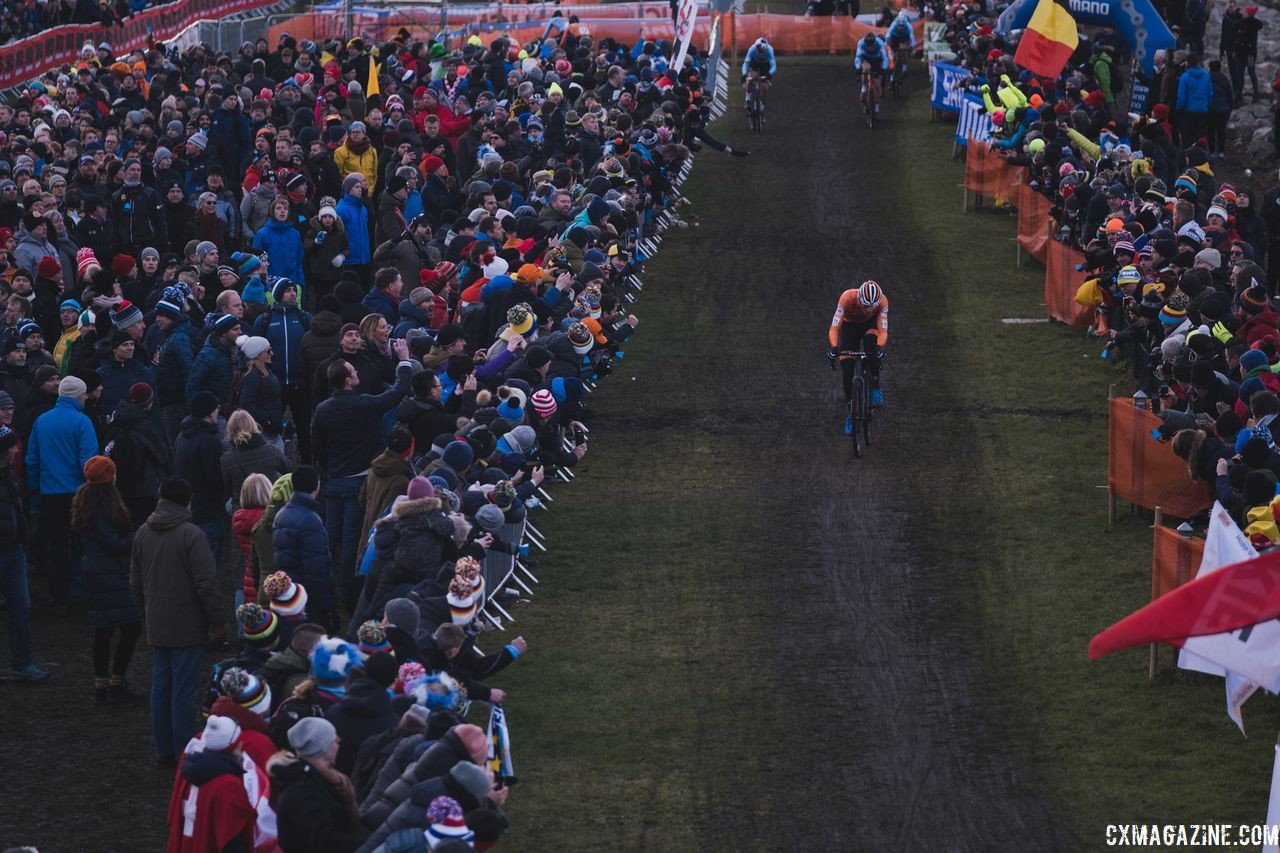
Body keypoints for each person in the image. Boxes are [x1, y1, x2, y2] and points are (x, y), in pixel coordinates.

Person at [312, 339, 414, 611]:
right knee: (349, 541)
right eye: (353, 372)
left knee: (328, 538)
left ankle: (324, 592)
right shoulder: (363, 404)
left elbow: (317, 448)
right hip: (357, 479)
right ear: (347, 381)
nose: (358, 373)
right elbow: (398, 391)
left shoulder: (322, 410)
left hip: (334, 479)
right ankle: (347, 596)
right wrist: (404, 359)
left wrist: (330, 468)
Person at [130, 477, 224, 767]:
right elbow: (206, 584)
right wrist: (217, 621)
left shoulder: (143, 533)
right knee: (183, 690)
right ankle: (186, 750)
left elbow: (135, 582)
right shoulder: (191, 535)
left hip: (158, 622)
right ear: (187, 501)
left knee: (161, 687)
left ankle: (164, 750)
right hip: (187, 623)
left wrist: (147, 613)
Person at [73, 455, 143, 705]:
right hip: (111, 573)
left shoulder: (85, 501)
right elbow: (112, 543)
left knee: (103, 631)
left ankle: (102, 685)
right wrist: (136, 537)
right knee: (131, 626)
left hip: (95, 572)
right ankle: (116, 682)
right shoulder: (104, 506)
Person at [26, 374, 99, 612]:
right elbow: (88, 462)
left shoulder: (42, 421)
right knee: (78, 542)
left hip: (49, 492)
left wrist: (34, 488)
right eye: (84, 393)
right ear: (77, 395)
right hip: (77, 492)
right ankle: (75, 591)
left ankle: (57, 593)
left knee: (55, 543)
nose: (86, 396)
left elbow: (32, 459)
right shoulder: (82, 422)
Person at [269, 717, 371, 852]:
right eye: (334, 740)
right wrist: (370, 845)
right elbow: (323, 839)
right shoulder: (302, 790)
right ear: (324, 748)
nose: (338, 743)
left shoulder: (324, 778)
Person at [0, 424, 47, 682]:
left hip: (14, 549)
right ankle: (23, 663)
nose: (17, 450)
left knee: (22, 607)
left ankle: (23, 663)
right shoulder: (9, 476)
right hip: (9, 549)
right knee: (20, 607)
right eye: (12, 446)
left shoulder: (9, 476)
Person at [272, 465, 335, 631]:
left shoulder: (281, 514)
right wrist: (327, 602)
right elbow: (316, 567)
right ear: (317, 485)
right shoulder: (310, 520)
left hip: (290, 592)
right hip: (309, 598)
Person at [174, 391, 228, 570]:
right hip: (208, 513)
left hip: (187, 509)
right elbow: (216, 481)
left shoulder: (181, 437)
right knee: (208, 569)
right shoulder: (209, 443)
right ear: (210, 412)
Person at [827, 280, 890, 433]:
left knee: (871, 347)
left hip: (870, 326)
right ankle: (851, 412)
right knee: (847, 373)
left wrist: (880, 348)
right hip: (850, 329)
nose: (869, 310)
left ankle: (875, 386)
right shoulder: (847, 298)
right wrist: (834, 348)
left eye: (872, 307)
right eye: (866, 306)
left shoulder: (882, 301)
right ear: (860, 298)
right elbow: (835, 328)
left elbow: (882, 330)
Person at [855, 32, 888, 115]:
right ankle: (864, 88)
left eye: (871, 44)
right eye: (868, 44)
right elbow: (858, 57)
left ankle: (876, 108)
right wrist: (858, 68)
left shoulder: (880, 43)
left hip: (876, 60)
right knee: (865, 69)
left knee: (877, 85)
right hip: (865, 58)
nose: (869, 46)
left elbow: (884, 57)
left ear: (875, 42)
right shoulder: (861, 43)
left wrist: (884, 68)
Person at [740, 38, 777, 103]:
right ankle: (748, 97)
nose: (760, 51)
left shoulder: (770, 50)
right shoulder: (752, 49)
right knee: (751, 78)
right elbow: (746, 62)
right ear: (756, 46)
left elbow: (773, 66)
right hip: (755, 62)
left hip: (765, 64)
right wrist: (744, 74)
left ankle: (762, 101)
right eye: (759, 49)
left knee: (764, 86)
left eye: (762, 49)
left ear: (766, 48)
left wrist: (769, 73)